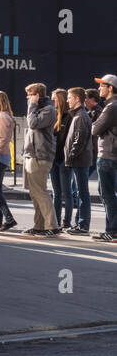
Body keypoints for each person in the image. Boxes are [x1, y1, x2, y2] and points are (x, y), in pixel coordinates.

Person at [22, 83, 59, 236]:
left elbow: (32, 123)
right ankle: (39, 225)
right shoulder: (39, 109)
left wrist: (31, 106)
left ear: (37, 95)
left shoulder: (48, 110)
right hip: (33, 155)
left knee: (40, 192)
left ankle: (52, 226)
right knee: (35, 193)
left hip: (41, 156)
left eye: (30, 94)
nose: (27, 97)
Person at [62, 87, 93, 236]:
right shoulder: (77, 115)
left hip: (79, 160)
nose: (67, 100)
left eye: (69, 97)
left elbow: (79, 140)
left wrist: (71, 156)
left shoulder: (80, 116)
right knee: (80, 192)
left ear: (77, 99)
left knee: (82, 193)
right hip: (78, 160)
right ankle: (79, 224)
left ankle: (83, 225)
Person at [90, 74, 117, 241]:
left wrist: (95, 124)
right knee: (107, 193)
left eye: (102, 85)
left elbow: (95, 129)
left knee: (107, 193)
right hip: (111, 154)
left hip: (107, 155)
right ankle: (111, 230)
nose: (99, 88)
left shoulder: (111, 107)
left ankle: (112, 230)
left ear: (111, 88)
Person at [0, 90, 17, 230]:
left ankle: (9, 218)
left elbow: (3, 139)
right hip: (1, 155)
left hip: (0, 155)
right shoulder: (2, 115)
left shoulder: (3, 116)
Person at [49, 88, 74, 233]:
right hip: (54, 158)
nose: (53, 101)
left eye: (55, 99)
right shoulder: (55, 115)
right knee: (56, 192)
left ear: (61, 100)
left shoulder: (69, 116)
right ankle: (56, 220)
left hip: (64, 159)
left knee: (66, 192)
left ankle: (66, 222)